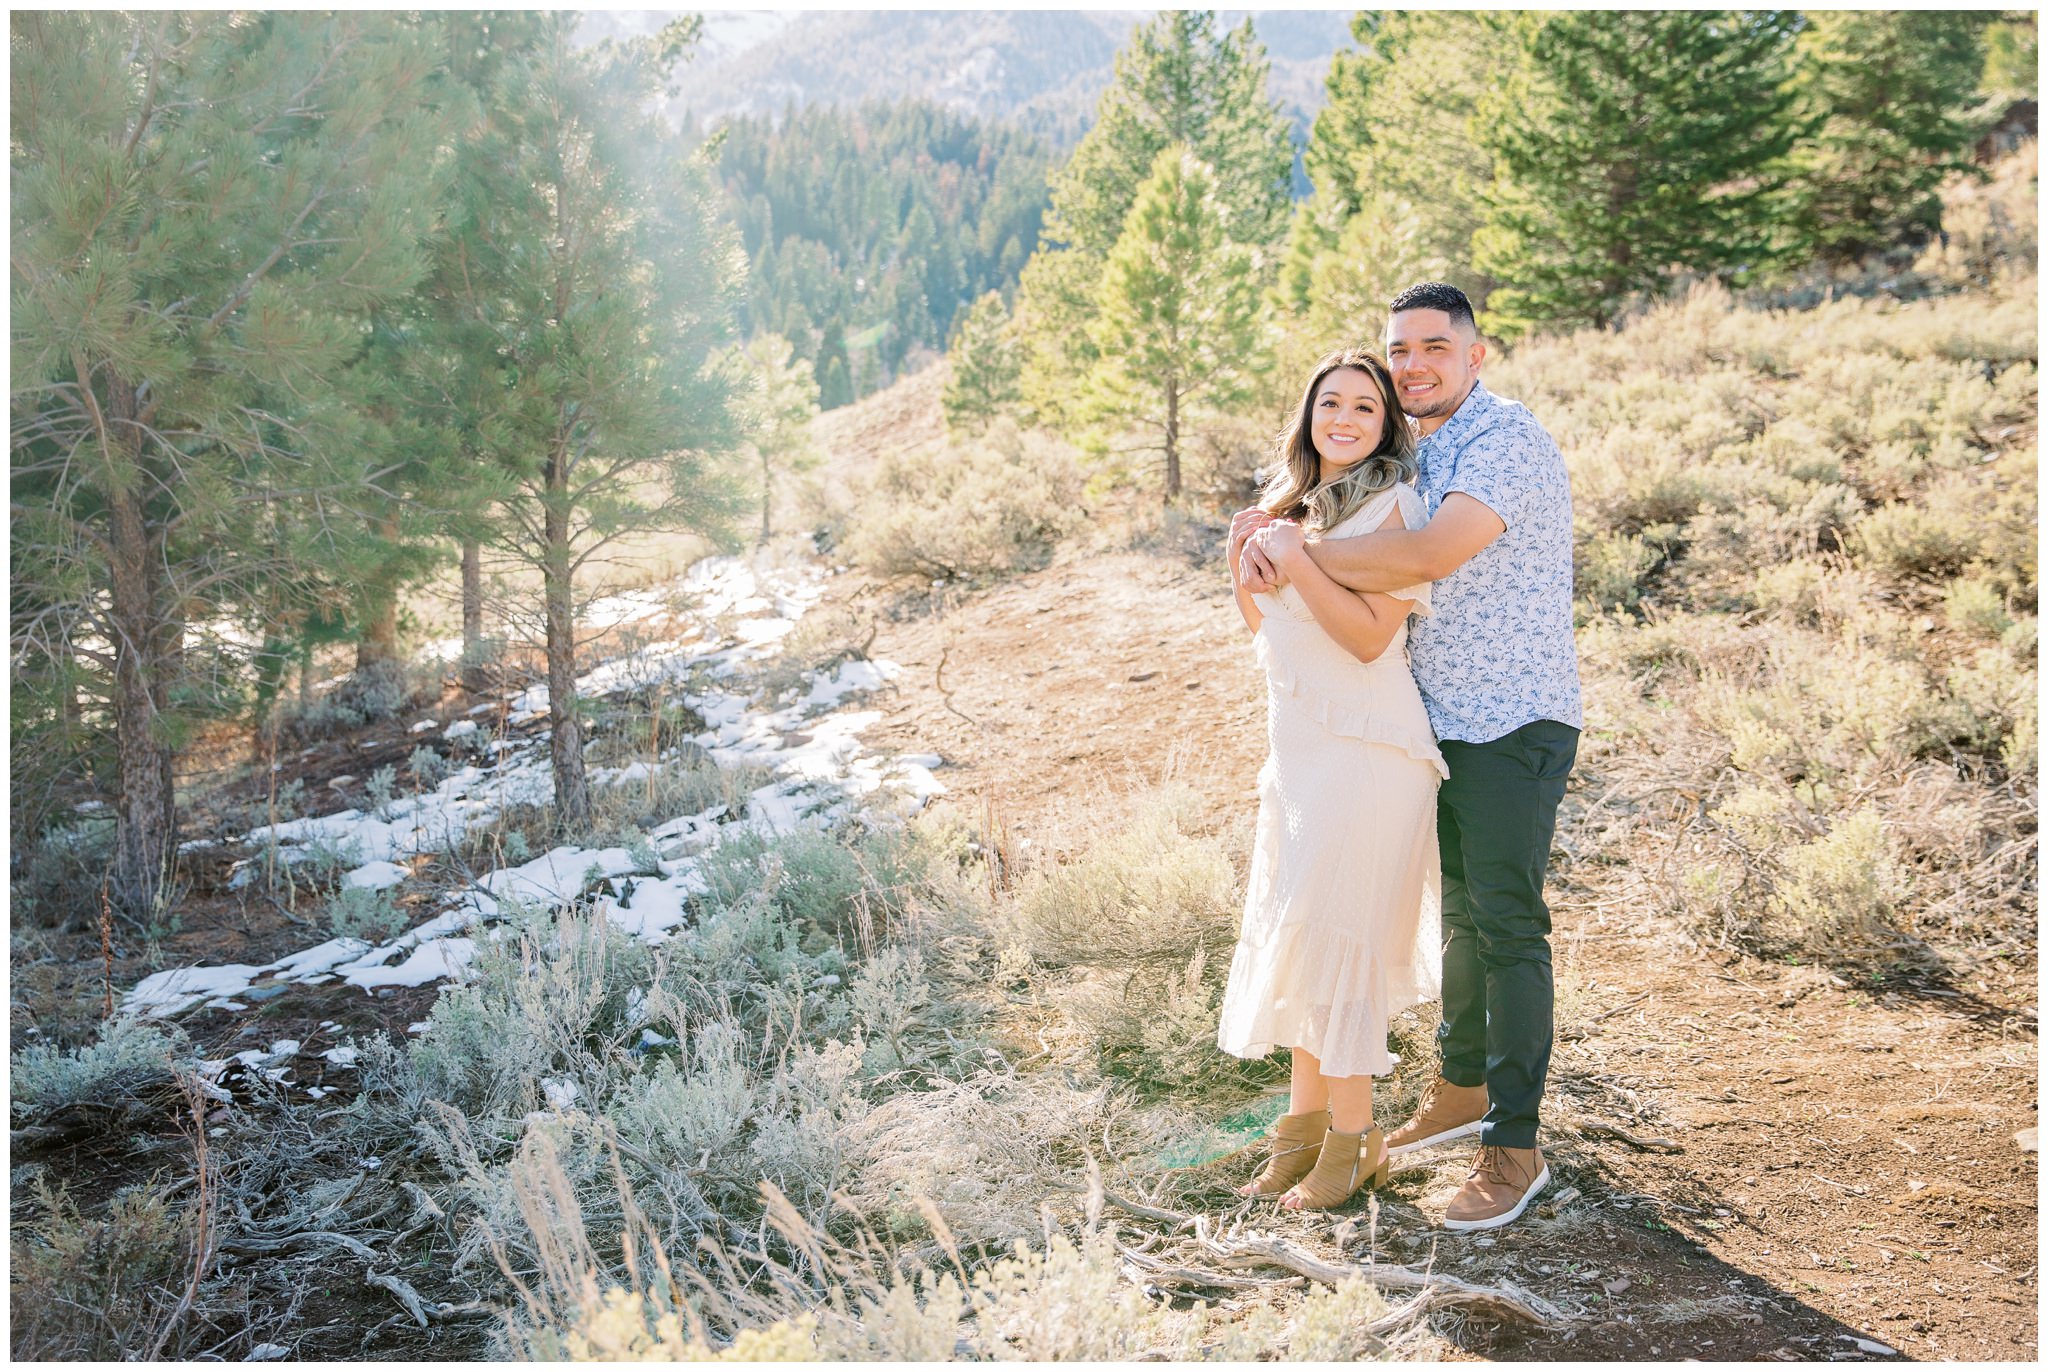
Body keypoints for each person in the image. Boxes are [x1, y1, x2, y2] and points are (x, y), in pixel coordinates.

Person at [1239, 282, 1582, 1232]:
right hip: (1430, 720)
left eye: (1436, 345)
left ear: (1479, 355)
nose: (1415, 363)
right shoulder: (1413, 444)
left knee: (1506, 926)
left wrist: (1295, 554)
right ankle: (1462, 1092)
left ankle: (1514, 1149)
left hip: (1512, 717)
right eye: (1401, 349)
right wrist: (1286, 550)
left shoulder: (1502, 440)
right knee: (1463, 921)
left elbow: (1430, 555)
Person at [1216, 347, 1446, 1212]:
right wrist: (1246, 559)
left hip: (1371, 753)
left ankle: (1355, 1146)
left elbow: (1366, 640)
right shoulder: (1293, 508)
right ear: (1308, 418)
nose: (1343, 419)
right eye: (1329, 405)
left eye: (1363, 407)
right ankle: (1301, 1134)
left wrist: (1299, 559)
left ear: (1386, 424)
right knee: (1306, 941)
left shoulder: (1397, 508)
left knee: (1341, 949)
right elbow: (1270, 631)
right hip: (1302, 754)